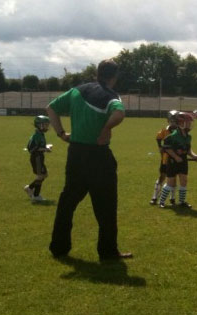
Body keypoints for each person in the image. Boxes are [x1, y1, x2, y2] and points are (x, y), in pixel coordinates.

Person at [46, 59, 132, 260]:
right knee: (106, 206)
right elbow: (119, 113)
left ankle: (59, 248)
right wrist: (105, 129)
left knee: (67, 202)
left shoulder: (77, 90)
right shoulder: (110, 96)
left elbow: (51, 108)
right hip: (99, 156)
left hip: (75, 153)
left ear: (97, 73)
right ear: (114, 77)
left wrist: (60, 133)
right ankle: (108, 252)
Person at [159, 112, 197, 208]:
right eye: (188, 123)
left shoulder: (188, 137)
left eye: (190, 123)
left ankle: (182, 202)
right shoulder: (173, 136)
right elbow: (167, 147)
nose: (190, 125)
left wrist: (195, 156)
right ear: (181, 123)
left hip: (183, 162)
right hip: (173, 162)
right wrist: (176, 157)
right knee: (170, 183)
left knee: (184, 181)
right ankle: (161, 202)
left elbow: (189, 150)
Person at [149, 110, 178, 205]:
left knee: (173, 178)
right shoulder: (165, 130)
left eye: (175, 121)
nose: (173, 123)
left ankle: (172, 198)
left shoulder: (179, 131)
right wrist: (160, 147)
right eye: (171, 121)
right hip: (165, 158)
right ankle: (154, 197)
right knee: (162, 176)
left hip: (176, 158)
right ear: (168, 121)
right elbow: (158, 138)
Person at [24, 115, 52, 202]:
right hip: (37, 158)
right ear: (39, 125)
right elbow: (31, 148)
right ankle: (34, 194)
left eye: (47, 125)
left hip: (39, 157)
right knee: (41, 176)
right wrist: (45, 149)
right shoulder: (36, 136)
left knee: (43, 175)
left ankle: (31, 189)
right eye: (45, 125)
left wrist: (45, 147)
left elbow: (39, 146)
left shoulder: (40, 134)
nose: (47, 127)